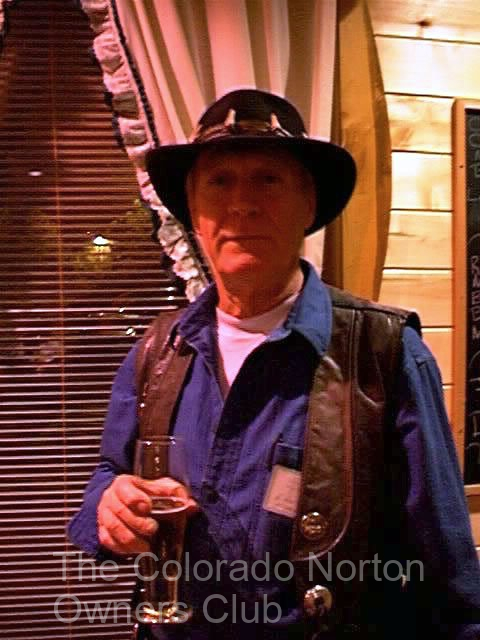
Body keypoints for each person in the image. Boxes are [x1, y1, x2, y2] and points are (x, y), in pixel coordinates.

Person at [68, 89, 480, 639]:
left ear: (309, 206)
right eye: (219, 182)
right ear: (193, 212)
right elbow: (110, 473)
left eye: (267, 179)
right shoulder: (159, 349)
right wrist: (109, 507)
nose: (242, 203)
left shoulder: (386, 353)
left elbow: (450, 583)